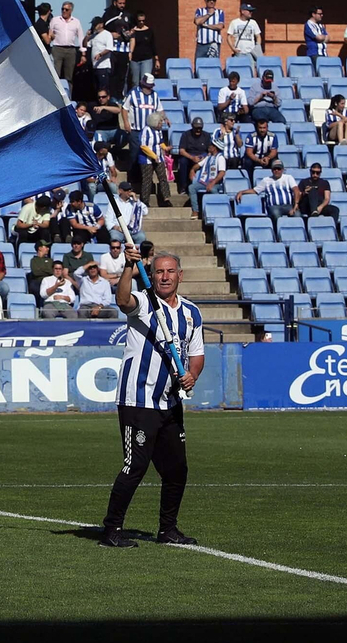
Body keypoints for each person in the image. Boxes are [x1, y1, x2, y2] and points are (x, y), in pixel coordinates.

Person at [98, 246, 205, 548]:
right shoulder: (144, 303)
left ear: (180, 276)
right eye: (159, 271)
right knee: (136, 466)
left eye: (170, 271)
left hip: (170, 402)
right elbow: (122, 300)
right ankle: (111, 530)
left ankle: (168, 529)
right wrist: (129, 268)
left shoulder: (191, 313)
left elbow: (196, 355)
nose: (165, 276)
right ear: (152, 275)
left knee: (176, 469)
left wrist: (191, 375)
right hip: (138, 400)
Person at [187, 139, 226, 215]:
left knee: (213, 189)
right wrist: (192, 170)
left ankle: (219, 210)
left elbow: (222, 172)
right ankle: (195, 210)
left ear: (215, 148)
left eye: (211, 145)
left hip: (216, 183)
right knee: (191, 187)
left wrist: (213, 182)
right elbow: (198, 165)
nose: (209, 146)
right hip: (205, 181)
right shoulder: (208, 157)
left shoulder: (220, 158)